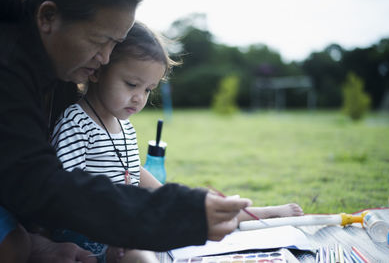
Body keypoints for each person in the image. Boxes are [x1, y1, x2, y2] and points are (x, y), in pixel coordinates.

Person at [0, 0, 252, 262]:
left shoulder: (61, 65)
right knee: (12, 246)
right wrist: (177, 213)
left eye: (115, 44)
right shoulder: (9, 67)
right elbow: (37, 182)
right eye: (99, 41)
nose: (106, 58)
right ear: (48, 17)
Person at [50, 21, 303, 263]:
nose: (139, 98)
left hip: (124, 219)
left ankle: (253, 214)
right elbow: (66, 191)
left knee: (191, 213)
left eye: (148, 89)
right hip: (88, 234)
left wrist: (173, 198)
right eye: (131, 84)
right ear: (98, 71)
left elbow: (133, 171)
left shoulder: (123, 125)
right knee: (139, 253)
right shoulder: (77, 122)